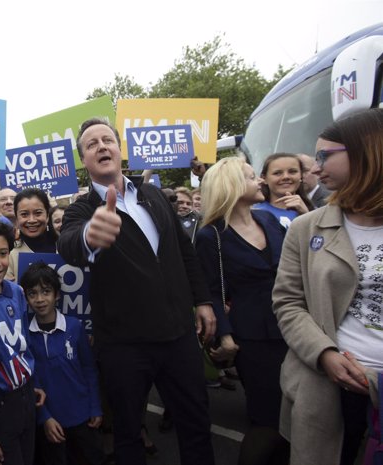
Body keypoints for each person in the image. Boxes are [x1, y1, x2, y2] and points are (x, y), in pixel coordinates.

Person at [58, 117, 216, 465]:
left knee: (195, 424)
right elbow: (68, 244)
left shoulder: (154, 196)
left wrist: (203, 300)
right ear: (84, 161)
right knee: (128, 434)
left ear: (118, 149)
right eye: (91, 144)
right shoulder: (81, 210)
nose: (101, 146)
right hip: (124, 346)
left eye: (107, 140)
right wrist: (89, 235)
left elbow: (184, 252)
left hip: (178, 337)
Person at [272, 108, 383, 465]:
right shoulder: (306, 228)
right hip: (328, 390)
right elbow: (288, 303)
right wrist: (324, 354)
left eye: (323, 156)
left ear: (367, 151)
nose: (315, 169)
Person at [196, 156, 289, 465]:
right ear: (233, 185)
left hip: (293, 328)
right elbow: (210, 291)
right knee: (268, 419)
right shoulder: (211, 236)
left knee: (297, 414)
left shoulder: (270, 220)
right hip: (252, 338)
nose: (260, 181)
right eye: (252, 177)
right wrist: (224, 335)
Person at [0, 217, 45, 465]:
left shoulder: (16, 292)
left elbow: (23, 345)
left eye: (3, 253)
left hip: (24, 398)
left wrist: (28, 378)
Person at [20, 262, 105, 465]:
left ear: (57, 295)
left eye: (46, 292)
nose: (40, 299)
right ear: (26, 298)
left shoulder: (74, 327)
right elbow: (30, 382)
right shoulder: (24, 334)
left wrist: (95, 407)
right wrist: (45, 417)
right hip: (50, 422)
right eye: (32, 294)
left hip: (82, 416)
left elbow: (89, 369)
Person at [6, 188, 58, 281]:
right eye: (24, 214)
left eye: (38, 213)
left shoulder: (65, 246)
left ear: (47, 216)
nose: (32, 220)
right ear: (17, 219)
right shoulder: (9, 253)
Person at [254, 153, 314, 228]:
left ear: (301, 176)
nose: (286, 177)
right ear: (264, 178)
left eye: (292, 172)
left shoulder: (316, 213)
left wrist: (306, 215)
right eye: (277, 173)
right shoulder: (254, 213)